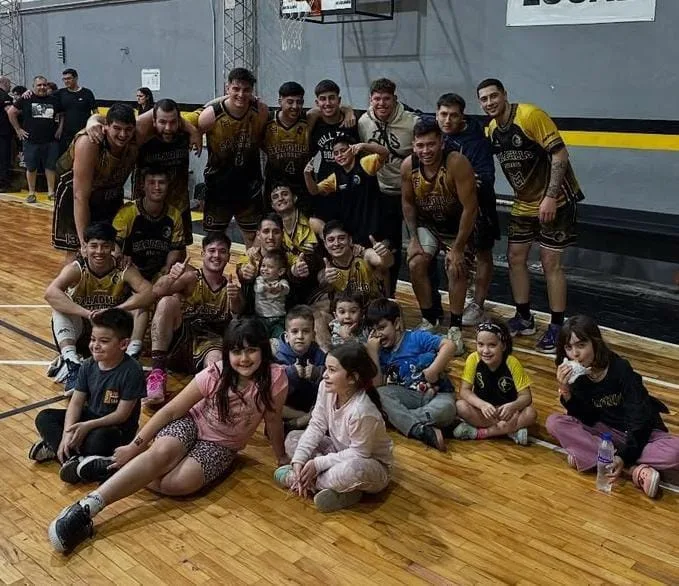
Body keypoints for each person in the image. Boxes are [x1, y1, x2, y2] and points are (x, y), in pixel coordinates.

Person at [48, 318, 289, 554]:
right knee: (161, 454)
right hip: (191, 422)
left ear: (263, 350)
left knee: (178, 483)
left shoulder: (275, 379)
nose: (244, 358)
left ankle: (110, 469)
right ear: (227, 353)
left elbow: (273, 420)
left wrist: (281, 457)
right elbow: (170, 411)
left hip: (222, 444)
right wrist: (134, 447)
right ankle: (87, 506)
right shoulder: (215, 373)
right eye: (237, 351)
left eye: (251, 350)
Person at [478, 78, 585, 354]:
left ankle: (558, 326)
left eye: (493, 96)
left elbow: (560, 155)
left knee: (550, 262)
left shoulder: (529, 115)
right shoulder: (492, 129)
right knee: (515, 257)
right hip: (524, 202)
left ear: (505, 95)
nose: (489, 102)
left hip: (556, 198)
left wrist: (550, 197)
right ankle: (524, 317)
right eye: (484, 99)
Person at [546, 315, 679, 499]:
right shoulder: (578, 377)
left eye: (581, 345)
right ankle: (633, 471)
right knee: (554, 423)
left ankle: (589, 455)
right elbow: (587, 417)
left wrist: (624, 456)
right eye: (569, 348)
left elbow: (639, 418)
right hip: (605, 432)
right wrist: (566, 391)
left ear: (595, 343)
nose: (575, 354)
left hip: (638, 433)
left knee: (675, 452)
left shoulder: (620, 369)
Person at [29, 309, 145, 484]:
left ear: (123, 344)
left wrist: (87, 426)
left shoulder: (132, 371)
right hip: (89, 418)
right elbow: (76, 403)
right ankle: (75, 458)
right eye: (93, 339)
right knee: (44, 417)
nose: (95, 345)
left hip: (115, 428)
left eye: (104, 341)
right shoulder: (88, 365)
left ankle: (59, 449)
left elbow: (121, 415)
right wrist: (67, 432)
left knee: (99, 440)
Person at [274, 342, 393, 513]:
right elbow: (316, 425)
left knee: (352, 470)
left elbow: (359, 454)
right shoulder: (326, 387)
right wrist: (300, 459)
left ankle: (298, 479)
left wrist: (317, 464)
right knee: (293, 438)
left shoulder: (363, 410)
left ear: (352, 378)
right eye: (326, 368)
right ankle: (344, 490)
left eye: (331, 370)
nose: (324, 375)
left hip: (370, 466)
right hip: (338, 451)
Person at [44, 222, 154, 394]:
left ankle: (131, 358)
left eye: (105, 246)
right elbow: (50, 293)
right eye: (94, 246)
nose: (99, 251)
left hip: (113, 335)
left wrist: (116, 310)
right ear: (85, 247)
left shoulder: (123, 268)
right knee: (59, 308)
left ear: (112, 247)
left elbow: (149, 292)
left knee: (141, 307)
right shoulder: (76, 269)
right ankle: (72, 363)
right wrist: (87, 313)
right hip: (84, 333)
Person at [401, 118, 478, 355]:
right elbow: (408, 203)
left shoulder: (456, 163)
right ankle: (429, 319)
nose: (426, 150)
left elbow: (470, 208)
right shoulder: (408, 166)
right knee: (415, 263)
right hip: (429, 225)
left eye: (431, 144)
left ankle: (455, 327)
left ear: (442, 143)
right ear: (413, 145)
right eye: (420, 145)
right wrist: (413, 238)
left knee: (455, 267)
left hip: (457, 227)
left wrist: (458, 248)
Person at [86, 98, 201, 248]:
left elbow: (214, 107)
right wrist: (92, 120)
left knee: (178, 254)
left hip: (178, 207)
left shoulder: (185, 127)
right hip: (143, 208)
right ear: (153, 121)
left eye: (173, 122)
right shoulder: (140, 131)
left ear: (179, 121)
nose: (168, 128)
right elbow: (112, 120)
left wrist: (193, 130)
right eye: (162, 122)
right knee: (136, 252)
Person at [145, 232, 241, 405]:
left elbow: (238, 313)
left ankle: (206, 402)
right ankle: (157, 373)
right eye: (211, 250)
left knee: (216, 361)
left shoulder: (232, 287)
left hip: (210, 343)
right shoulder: (191, 278)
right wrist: (171, 277)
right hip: (181, 340)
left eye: (222, 251)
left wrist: (234, 299)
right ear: (203, 254)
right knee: (167, 302)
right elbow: (157, 291)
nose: (216, 255)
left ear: (228, 257)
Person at [434, 93, 499, 326]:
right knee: (453, 255)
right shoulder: (434, 133)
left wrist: (461, 181)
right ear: (437, 114)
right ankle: (455, 299)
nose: (447, 120)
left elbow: (486, 178)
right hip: (448, 209)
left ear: (462, 117)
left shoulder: (477, 142)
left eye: (453, 115)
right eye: (443, 114)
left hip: (480, 206)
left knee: (482, 253)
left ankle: (478, 304)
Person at [366, 298, 456, 452]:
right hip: (408, 396)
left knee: (447, 409)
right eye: (373, 330)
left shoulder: (416, 337)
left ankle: (399, 420)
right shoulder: (379, 351)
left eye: (381, 328)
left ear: (397, 323)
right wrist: (372, 352)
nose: (377, 335)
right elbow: (378, 385)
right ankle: (420, 430)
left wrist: (434, 370)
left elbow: (449, 345)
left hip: (437, 393)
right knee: (379, 395)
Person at [52, 103, 138, 260]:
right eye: (117, 128)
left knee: (110, 248)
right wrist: (84, 243)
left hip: (108, 193)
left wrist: (191, 129)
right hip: (75, 193)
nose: (123, 134)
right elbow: (80, 197)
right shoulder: (90, 142)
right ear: (106, 127)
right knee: (79, 254)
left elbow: (160, 112)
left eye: (128, 129)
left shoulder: (136, 137)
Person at [358, 78, 419, 295]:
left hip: (411, 192)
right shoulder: (363, 122)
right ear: (370, 100)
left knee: (420, 249)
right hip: (382, 192)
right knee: (387, 245)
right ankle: (387, 294)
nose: (381, 103)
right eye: (377, 99)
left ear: (395, 99)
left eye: (386, 98)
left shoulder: (412, 122)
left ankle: (429, 304)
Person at [198, 67, 269, 246]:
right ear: (227, 88)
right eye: (236, 89)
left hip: (249, 187)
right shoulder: (211, 114)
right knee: (214, 239)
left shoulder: (260, 111)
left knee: (253, 237)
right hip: (218, 187)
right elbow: (193, 128)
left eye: (246, 90)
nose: (241, 94)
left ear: (252, 91)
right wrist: (194, 135)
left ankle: (253, 266)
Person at [453, 319, 537, 445]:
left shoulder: (512, 362)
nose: (485, 350)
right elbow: (464, 391)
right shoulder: (473, 359)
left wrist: (513, 406)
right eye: (480, 344)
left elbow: (526, 397)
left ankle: (481, 433)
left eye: (492, 345)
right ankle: (510, 430)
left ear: (503, 346)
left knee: (530, 413)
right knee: (460, 406)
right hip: (485, 413)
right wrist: (482, 405)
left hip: (508, 414)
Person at [304, 134, 389, 248]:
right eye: (336, 153)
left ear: (352, 149)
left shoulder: (365, 164)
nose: (340, 155)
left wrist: (364, 146)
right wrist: (307, 175)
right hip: (353, 229)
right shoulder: (335, 177)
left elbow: (385, 152)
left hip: (374, 224)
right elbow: (314, 190)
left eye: (343, 151)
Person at [112, 167, 186, 282]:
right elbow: (114, 243)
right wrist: (119, 256)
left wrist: (168, 266)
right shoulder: (128, 211)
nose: (157, 187)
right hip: (131, 269)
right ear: (143, 186)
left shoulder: (175, 215)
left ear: (168, 185)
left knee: (190, 274)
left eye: (161, 183)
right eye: (151, 183)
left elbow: (176, 248)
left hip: (160, 271)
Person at [308, 79, 359, 221]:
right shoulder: (315, 123)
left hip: (351, 185)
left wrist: (348, 111)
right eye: (323, 99)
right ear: (317, 103)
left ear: (339, 100)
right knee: (327, 226)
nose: (328, 103)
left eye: (332, 98)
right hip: (326, 185)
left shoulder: (351, 123)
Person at [7, 75, 63, 203]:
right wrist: (18, 130)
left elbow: (62, 114)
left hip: (50, 140)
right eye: (39, 85)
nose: (42, 87)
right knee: (31, 167)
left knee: (50, 167)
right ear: (33, 87)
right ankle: (31, 193)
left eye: (44, 85)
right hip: (31, 141)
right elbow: (11, 112)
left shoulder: (54, 100)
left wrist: (60, 128)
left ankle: (51, 192)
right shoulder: (26, 98)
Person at [271, 305, 326, 431]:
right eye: (295, 331)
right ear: (286, 336)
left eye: (305, 331)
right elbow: (272, 386)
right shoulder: (278, 357)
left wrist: (317, 373)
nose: (300, 336)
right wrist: (289, 374)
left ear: (313, 335)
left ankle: (308, 419)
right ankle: (304, 419)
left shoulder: (319, 355)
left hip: (312, 405)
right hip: (288, 409)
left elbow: (328, 379)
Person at [320, 220, 393, 307]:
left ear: (350, 240)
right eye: (331, 240)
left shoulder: (365, 255)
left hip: (375, 311)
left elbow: (386, 262)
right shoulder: (327, 271)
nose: (336, 243)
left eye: (341, 238)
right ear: (325, 244)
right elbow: (326, 289)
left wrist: (384, 254)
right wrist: (328, 281)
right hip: (347, 313)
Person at [57, 68, 96, 155]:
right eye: (64, 79)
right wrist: (29, 92)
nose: (66, 81)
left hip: (83, 132)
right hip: (66, 134)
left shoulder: (87, 93)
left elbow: (95, 112)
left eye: (69, 78)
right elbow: (44, 93)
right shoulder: (61, 93)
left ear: (76, 78)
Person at [254, 249, 290, 338]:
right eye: (263, 266)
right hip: (261, 318)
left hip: (278, 319)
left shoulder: (282, 282)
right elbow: (259, 289)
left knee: (280, 338)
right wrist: (267, 287)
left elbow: (286, 290)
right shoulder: (259, 280)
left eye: (270, 267)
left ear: (281, 271)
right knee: (260, 338)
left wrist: (279, 288)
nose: (265, 269)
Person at [0, 76, 14, 191]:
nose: (10, 86)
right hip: (3, 133)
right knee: (4, 159)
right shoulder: (4, 96)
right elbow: (10, 111)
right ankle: (4, 184)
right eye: (9, 84)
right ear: (4, 83)